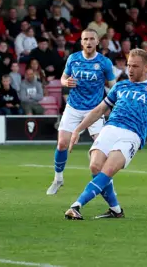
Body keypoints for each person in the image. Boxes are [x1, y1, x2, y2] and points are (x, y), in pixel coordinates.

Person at [64, 48, 147, 220]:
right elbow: (99, 110)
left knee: (108, 169)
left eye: (135, 66)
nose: (130, 70)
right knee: (95, 167)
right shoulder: (120, 85)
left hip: (132, 135)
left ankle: (76, 206)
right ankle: (116, 210)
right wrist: (78, 129)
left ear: (146, 67)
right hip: (110, 128)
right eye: (129, 66)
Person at [46, 29, 116, 196]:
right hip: (73, 107)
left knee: (101, 148)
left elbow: (113, 86)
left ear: (97, 42)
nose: (89, 42)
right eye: (85, 39)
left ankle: (106, 183)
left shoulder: (104, 62)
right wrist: (66, 82)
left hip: (95, 110)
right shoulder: (73, 58)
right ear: (81, 42)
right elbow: (63, 78)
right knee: (62, 143)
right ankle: (58, 179)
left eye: (92, 39)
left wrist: (118, 102)